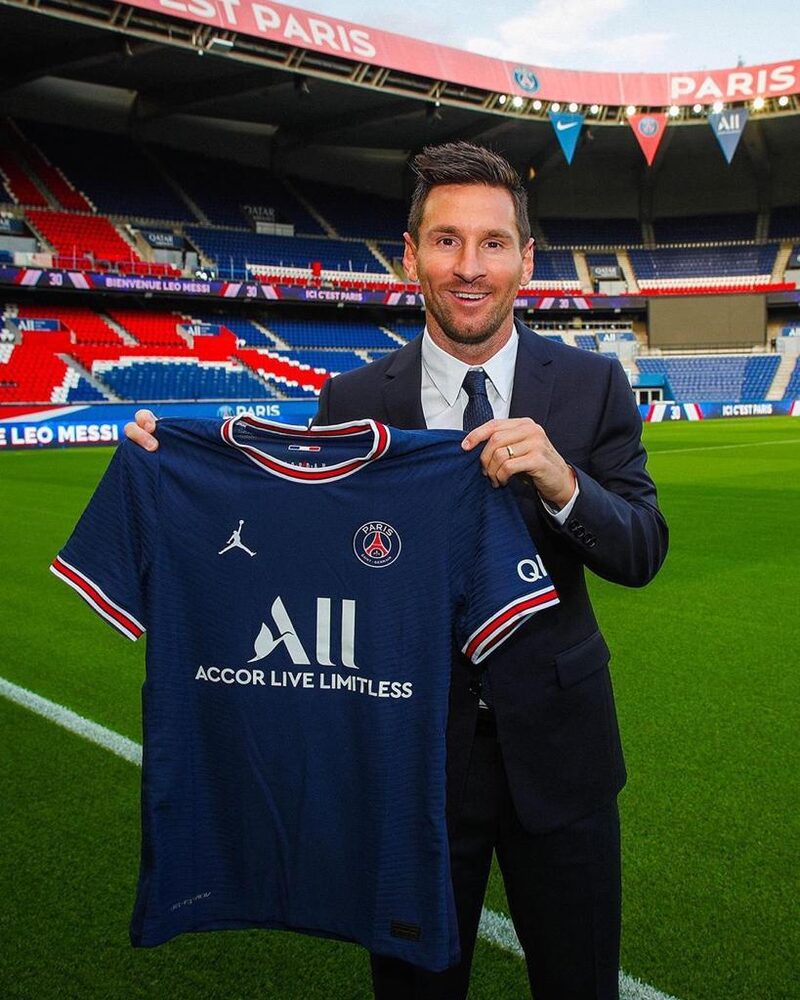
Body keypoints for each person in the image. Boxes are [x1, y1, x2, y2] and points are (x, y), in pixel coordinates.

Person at [126, 141, 668, 1000]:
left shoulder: (594, 386)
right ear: (410, 256)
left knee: (580, 988)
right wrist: (171, 475)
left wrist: (563, 482)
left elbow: (643, 548)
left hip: (562, 759)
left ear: (526, 259)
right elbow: (286, 554)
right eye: (446, 240)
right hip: (408, 765)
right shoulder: (351, 402)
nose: (470, 267)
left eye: (493, 243)